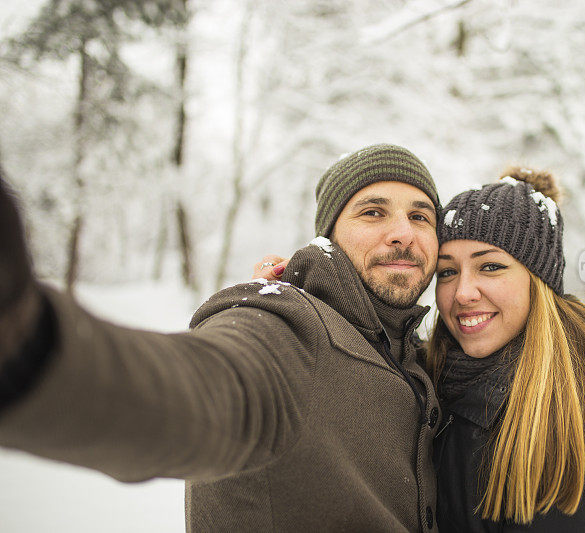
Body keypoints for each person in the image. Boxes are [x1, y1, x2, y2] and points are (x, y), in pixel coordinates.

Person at [0, 144, 445, 532]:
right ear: (328, 234)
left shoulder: (417, 357)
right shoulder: (287, 327)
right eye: (373, 212)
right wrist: (29, 341)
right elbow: (197, 389)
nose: (403, 233)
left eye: (420, 216)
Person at [428, 167, 585, 532]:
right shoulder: (437, 383)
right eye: (447, 272)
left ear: (539, 282)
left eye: (490, 266)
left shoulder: (565, 428)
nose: (462, 292)